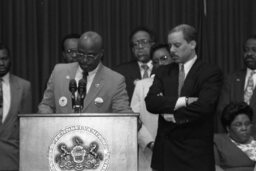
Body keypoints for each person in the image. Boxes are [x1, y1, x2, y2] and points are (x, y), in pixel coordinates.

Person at [145, 24, 223, 171]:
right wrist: (185, 101)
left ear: (192, 44)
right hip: (165, 151)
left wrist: (171, 113)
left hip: (195, 153)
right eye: (170, 45)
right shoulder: (163, 71)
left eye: (177, 45)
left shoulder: (209, 72)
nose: (172, 50)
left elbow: (205, 106)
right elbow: (151, 102)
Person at [38, 31, 132, 114]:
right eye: (81, 54)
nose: (84, 60)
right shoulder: (59, 72)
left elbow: (122, 113)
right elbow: (46, 105)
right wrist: (45, 116)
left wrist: (133, 120)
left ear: (101, 53)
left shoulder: (115, 80)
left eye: (90, 56)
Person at [131, 43, 172, 171]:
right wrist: (149, 142)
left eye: (164, 58)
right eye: (155, 61)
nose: (160, 63)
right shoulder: (142, 86)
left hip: (179, 152)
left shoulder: (185, 84)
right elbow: (133, 119)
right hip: (150, 151)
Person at [0, 43, 32, 170]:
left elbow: (26, 126)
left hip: (12, 158)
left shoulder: (24, 86)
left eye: (4, 59)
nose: (1, 63)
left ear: (10, 59)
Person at [216, 35, 256, 136]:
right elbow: (222, 110)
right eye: (246, 50)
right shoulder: (231, 79)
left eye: (254, 50)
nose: (249, 54)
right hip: (233, 140)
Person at [114, 26, 156, 101]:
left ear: (153, 44)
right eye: (135, 44)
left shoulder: (163, 68)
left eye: (144, 42)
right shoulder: (120, 72)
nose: (140, 47)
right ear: (132, 49)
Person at [214, 102, 256, 171]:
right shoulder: (218, 141)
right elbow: (214, 167)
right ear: (228, 128)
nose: (244, 128)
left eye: (247, 124)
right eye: (238, 125)